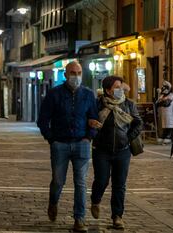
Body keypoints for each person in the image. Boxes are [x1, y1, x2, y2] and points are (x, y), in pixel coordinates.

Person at [37, 61, 99, 232]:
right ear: (65, 75)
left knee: (81, 183)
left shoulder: (88, 94)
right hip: (60, 145)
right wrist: (51, 139)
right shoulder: (54, 94)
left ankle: (79, 219)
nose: (76, 77)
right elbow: (43, 120)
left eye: (79, 73)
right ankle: (53, 202)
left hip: (82, 144)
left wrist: (89, 137)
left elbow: (94, 119)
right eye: (72, 73)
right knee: (58, 181)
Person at [89, 76, 142, 230]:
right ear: (107, 90)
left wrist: (128, 138)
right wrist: (95, 134)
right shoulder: (98, 104)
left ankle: (117, 217)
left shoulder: (128, 104)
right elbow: (90, 121)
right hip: (101, 150)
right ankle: (95, 200)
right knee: (102, 180)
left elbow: (138, 123)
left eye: (121, 86)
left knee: (119, 184)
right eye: (116, 87)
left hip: (122, 150)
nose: (120, 89)